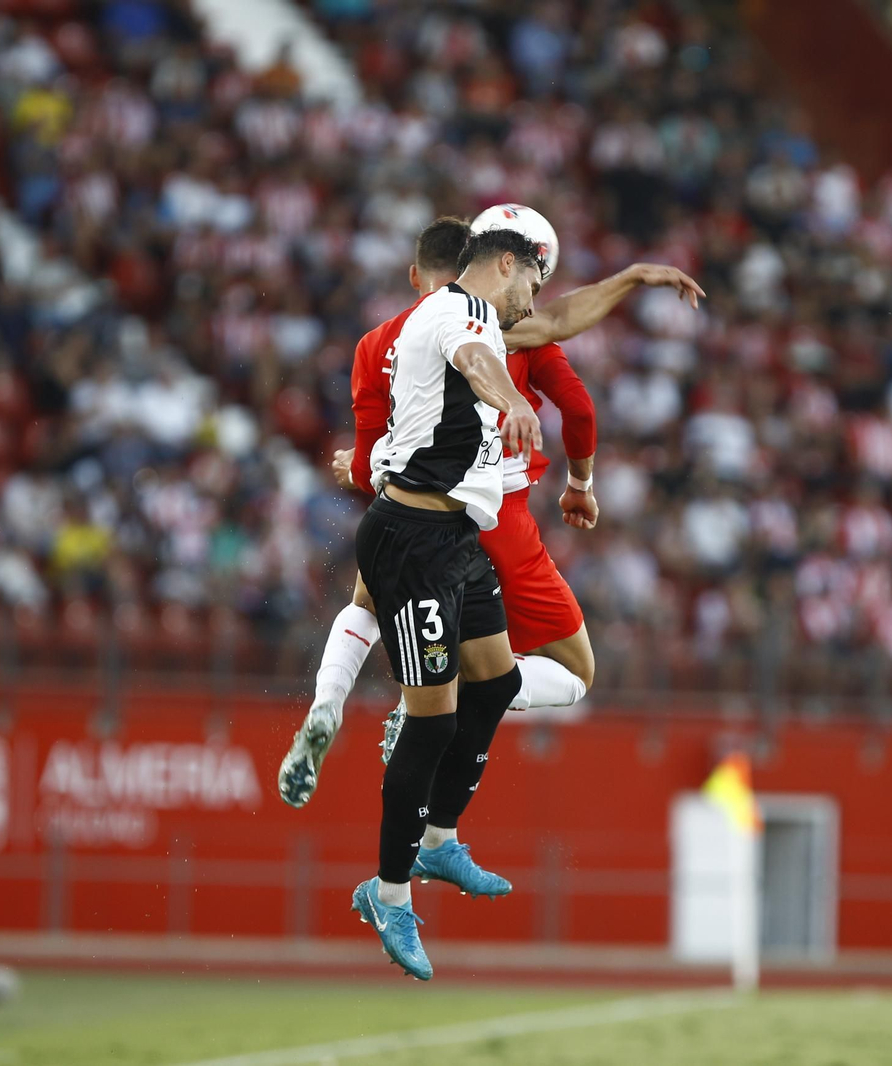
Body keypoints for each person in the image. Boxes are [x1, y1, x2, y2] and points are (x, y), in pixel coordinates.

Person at [278, 215, 703, 806]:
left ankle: (327, 703)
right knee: (569, 673)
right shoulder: (492, 326)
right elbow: (569, 376)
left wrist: (356, 466)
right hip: (488, 515)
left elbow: (374, 463)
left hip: (405, 513)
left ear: (415, 275)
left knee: (365, 606)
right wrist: (629, 278)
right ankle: (433, 736)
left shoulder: (377, 343)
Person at [349, 226, 545, 980]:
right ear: (506, 265)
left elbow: (493, 351)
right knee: (432, 721)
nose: (535, 299)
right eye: (533, 282)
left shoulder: (478, 317)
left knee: (497, 682)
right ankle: (389, 892)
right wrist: (514, 402)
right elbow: (475, 362)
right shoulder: (453, 311)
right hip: (413, 540)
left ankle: (437, 842)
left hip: (456, 536)